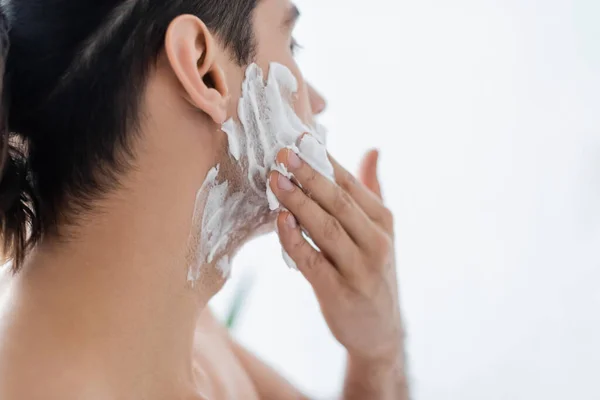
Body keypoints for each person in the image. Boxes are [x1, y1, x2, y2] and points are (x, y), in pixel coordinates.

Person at [0, 0, 408, 399]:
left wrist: (375, 352)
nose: (317, 102)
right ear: (203, 69)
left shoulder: (176, 336)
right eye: (290, 42)